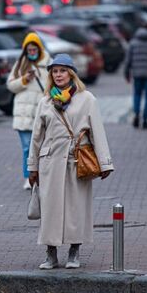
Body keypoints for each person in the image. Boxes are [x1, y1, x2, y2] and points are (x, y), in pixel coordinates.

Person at [27, 54, 114, 269]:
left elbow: (97, 132)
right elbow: (36, 137)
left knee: (76, 208)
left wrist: (105, 163)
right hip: (50, 161)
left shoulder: (87, 99)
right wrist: (32, 167)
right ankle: (51, 253)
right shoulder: (45, 101)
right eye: (55, 72)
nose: (58, 75)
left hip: (77, 160)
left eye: (63, 71)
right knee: (50, 209)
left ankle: (74, 251)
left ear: (72, 74)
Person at [7, 32, 52, 190]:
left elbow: (54, 85)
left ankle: (43, 176)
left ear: (39, 49)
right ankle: (28, 177)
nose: (32, 52)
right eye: (29, 50)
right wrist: (24, 79)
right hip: (24, 114)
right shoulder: (20, 64)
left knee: (43, 148)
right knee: (27, 148)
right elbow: (11, 86)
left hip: (42, 113)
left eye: (34, 49)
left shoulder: (49, 64)